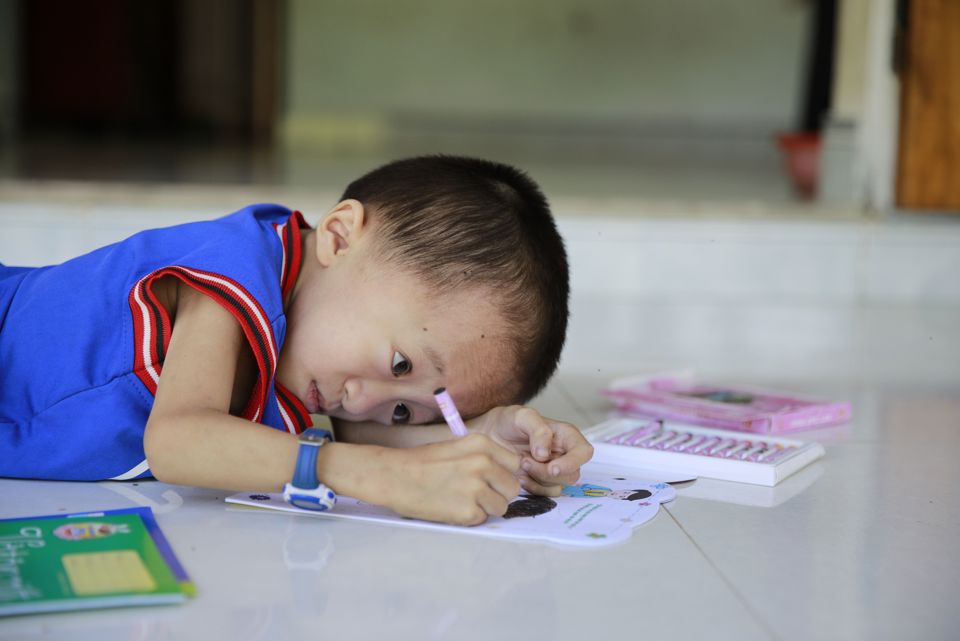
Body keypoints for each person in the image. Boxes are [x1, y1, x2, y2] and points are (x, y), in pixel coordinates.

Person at [0, 155, 592, 526]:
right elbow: (179, 440)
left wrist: (484, 440)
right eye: (399, 361)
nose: (362, 402)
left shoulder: (317, 358)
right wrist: (379, 477)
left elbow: (359, 426)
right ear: (337, 236)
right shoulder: (238, 271)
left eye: (407, 407)